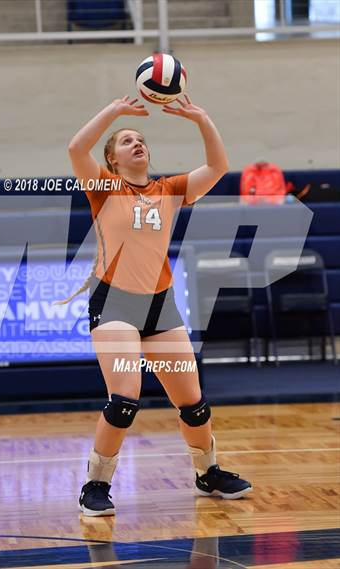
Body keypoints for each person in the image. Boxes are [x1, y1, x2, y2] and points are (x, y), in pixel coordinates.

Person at [60, 94, 252, 516]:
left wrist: (202, 118)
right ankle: (95, 484)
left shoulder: (170, 189)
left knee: (194, 403)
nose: (137, 143)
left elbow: (218, 167)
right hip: (114, 304)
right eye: (126, 141)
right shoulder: (106, 187)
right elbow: (76, 148)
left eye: (140, 138)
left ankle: (208, 473)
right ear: (112, 160)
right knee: (125, 399)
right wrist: (114, 111)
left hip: (160, 307)